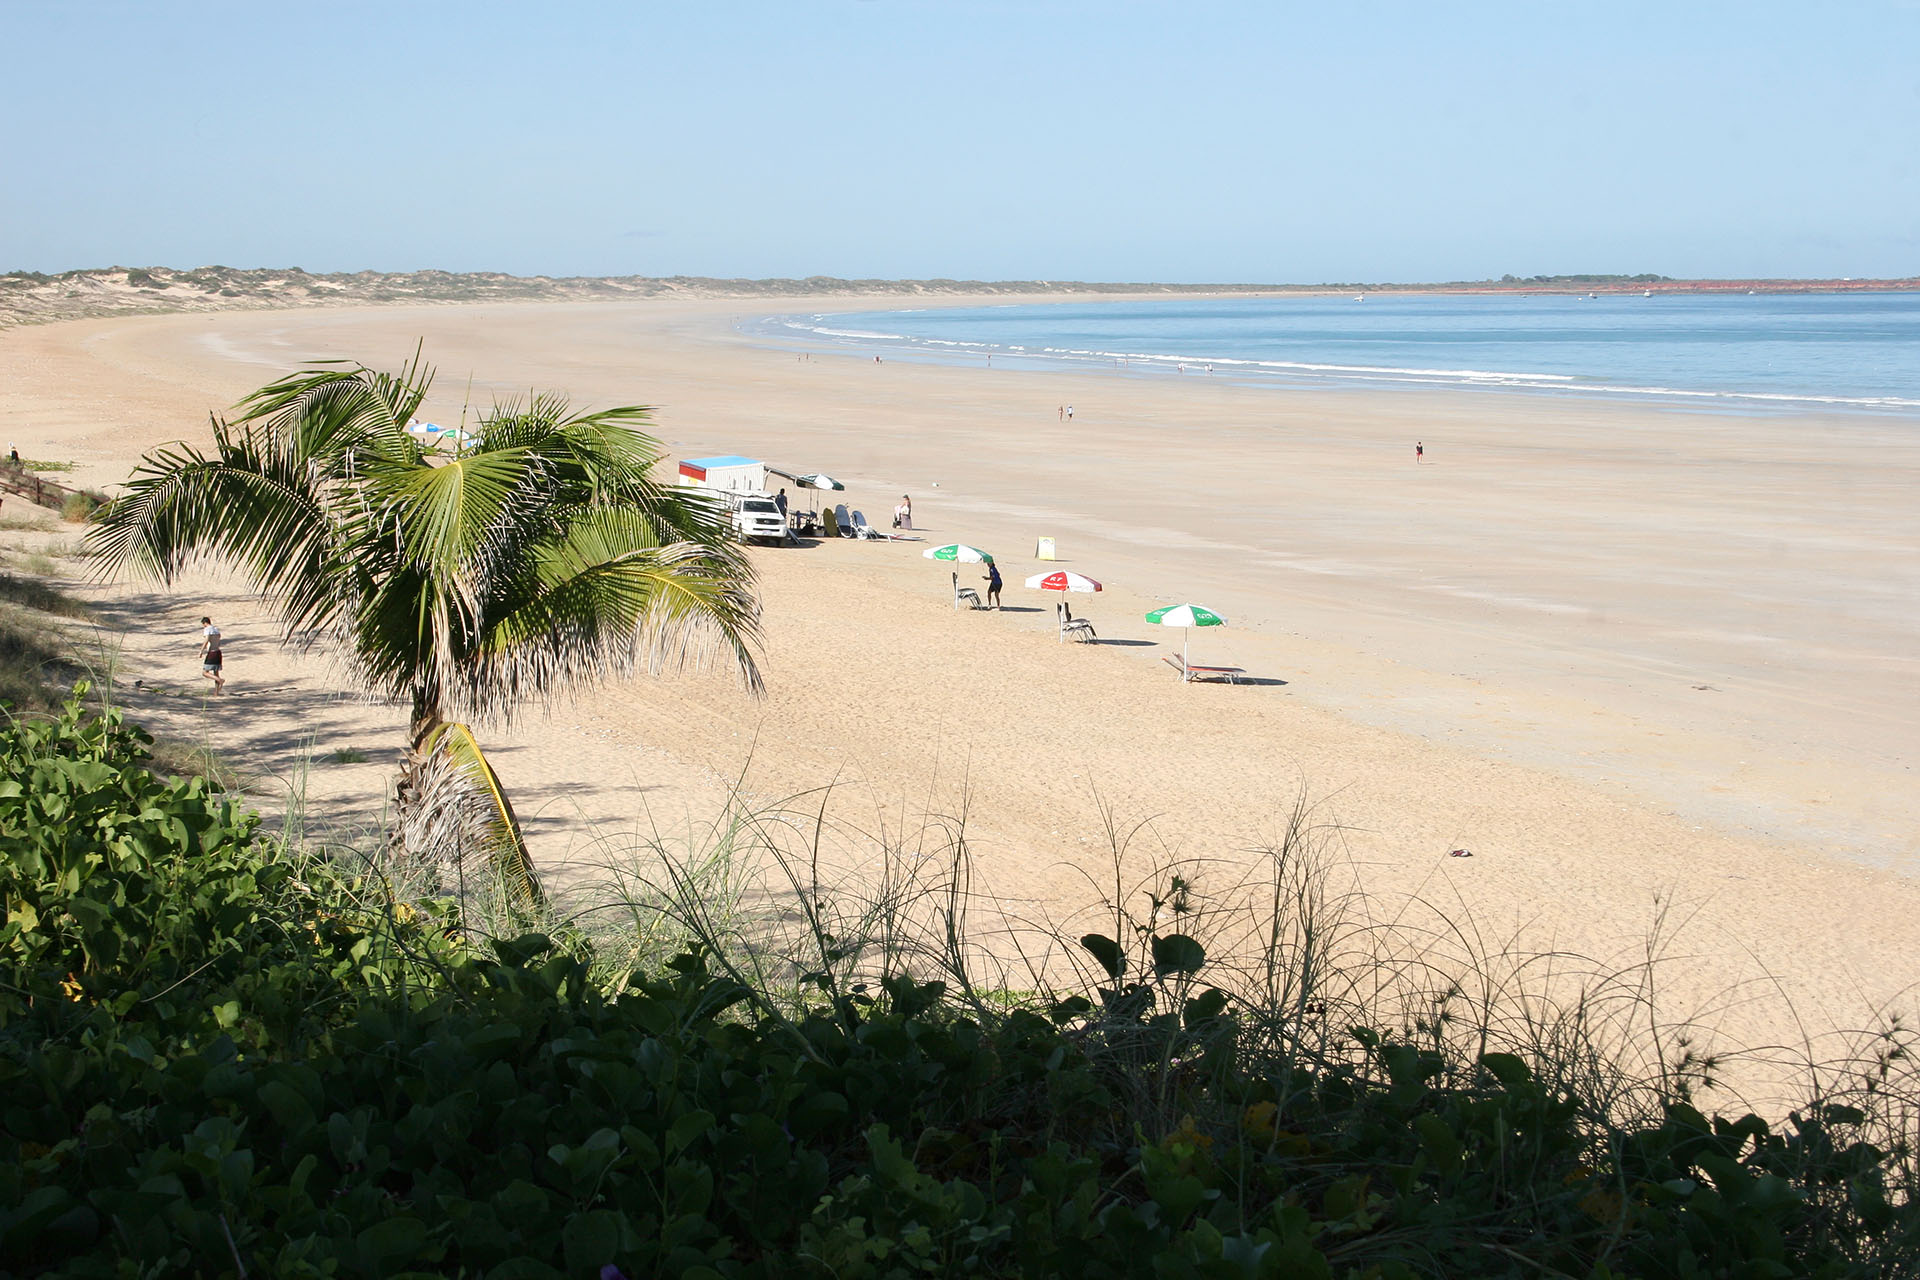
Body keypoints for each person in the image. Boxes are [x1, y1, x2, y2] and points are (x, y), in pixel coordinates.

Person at [198, 615, 225, 694]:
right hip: (218, 652)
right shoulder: (216, 629)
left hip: (212, 653)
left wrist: (201, 651)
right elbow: (219, 639)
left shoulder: (207, 629)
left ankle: (220, 680)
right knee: (216, 672)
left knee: (205, 672)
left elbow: (206, 640)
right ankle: (216, 693)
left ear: (205, 623)